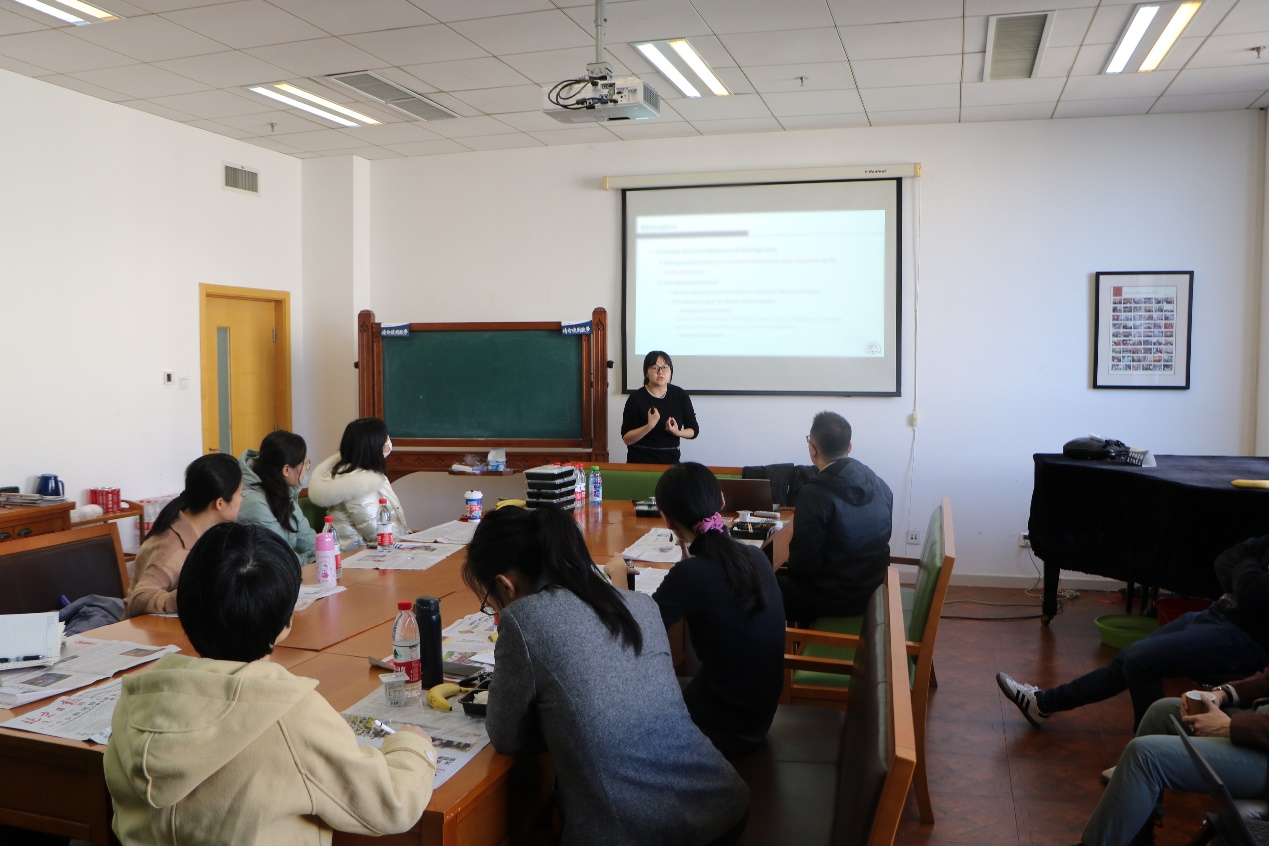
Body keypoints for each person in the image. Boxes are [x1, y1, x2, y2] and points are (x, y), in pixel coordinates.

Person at [105, 523, 437, 845]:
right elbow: (392, 805)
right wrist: (412, 746)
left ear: (185, 609)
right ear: (286, 622)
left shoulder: (135, 702)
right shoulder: (293, 715)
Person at [464, 505, 749, 846]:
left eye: (490, 603)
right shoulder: (640, 604)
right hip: (723, 807)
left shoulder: (524, 619)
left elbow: (506, 737)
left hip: (636, 834)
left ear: (505, 585)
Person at [998, 535, 1269, 731]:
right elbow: (1226, 559)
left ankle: (1149, 748)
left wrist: (1246, 569)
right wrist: (1249, 575)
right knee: (1128, 658)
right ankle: (1044, 704)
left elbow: (1253, 591)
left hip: (1246, 638)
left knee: (1141, 660)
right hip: (1217, 615)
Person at [607, 463, 785, 758]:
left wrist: (618, 576)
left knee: (614, 710)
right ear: (721, 501)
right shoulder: (754, 556)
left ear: (666, 519)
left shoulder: (691, 575)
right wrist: (687, 552)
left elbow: (633, 634)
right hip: (758, 716)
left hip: (724, 729)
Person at [1075, 670, 1269, 846]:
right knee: (1161, 712)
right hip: (1257, 718)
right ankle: (1137, 836)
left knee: (1145, 756)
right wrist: (1221, 694)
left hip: (1262, 747)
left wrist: (1231, 727)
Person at [776, 411, 894, 620]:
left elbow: (803, 566)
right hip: (874, 591)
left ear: (812, 450)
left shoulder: (814, 494)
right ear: (849, 447)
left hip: (831, 600)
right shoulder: (878, 482)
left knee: (755, 586)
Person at [125, 453, 242, 618]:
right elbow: (139, 599)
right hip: (144, 628)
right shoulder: (172, 545)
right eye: (240, 494)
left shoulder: (211, 530)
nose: (242, 500)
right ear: (220, 503)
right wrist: (188, 597)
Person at [307, 417, 409, 553]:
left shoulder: (367, 474)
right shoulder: (356, 483)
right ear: (373, 446)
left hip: (374, 551)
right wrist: (407, 543)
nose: (389, 444)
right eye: (385, 439)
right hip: (356, 556)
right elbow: (376, 532)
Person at [237, 430, 316, 563]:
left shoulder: (284, 490)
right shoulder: (255, 503)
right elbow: (282, 557)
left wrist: (325, 556)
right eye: (304, 464)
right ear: (286, 470)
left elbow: (308, 539)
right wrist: (317, 562)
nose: (305, 469)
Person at [621, 350, 699, 464]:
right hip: (640, 462)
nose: (660, 372)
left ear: (671, 371)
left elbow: (693, 430)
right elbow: (627, 439)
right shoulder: (636, 398)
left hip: (670, 462)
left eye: (665, 367)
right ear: (646, 373)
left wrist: (677, 432)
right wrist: (649, 426)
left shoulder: (680, 395)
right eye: (655, 368)